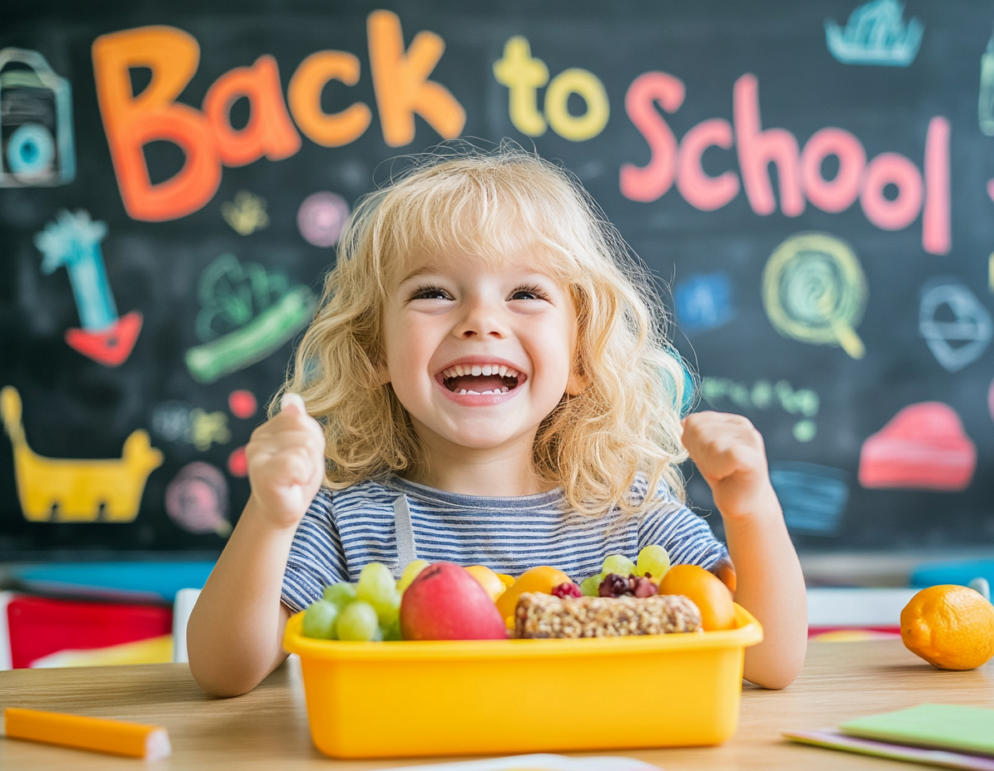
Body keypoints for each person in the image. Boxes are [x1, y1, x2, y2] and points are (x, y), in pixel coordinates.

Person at [187, 146, 806, 697]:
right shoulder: (346, 521)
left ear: (580, 357)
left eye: (526, 294)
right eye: (433, 292)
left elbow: (772, 662)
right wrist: (269, 517)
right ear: (376, 351)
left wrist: (751, 507)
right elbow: (221, 672)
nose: (480, 320)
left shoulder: (629, 514)